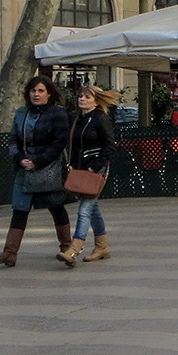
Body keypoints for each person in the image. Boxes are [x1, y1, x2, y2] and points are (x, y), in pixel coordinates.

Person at [0, 76, 73, 267]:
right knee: (19, 209)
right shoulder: (21, 113)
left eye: (41, 90)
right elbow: (13, 141)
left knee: (56, 206)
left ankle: (67, 248)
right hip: (24, 169)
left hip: (48, 167)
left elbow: (60, 143)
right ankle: (9, 253)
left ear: (49, 94)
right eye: (33, 91)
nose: (36, 94)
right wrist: (20, 159)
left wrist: (39, 161)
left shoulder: (57, 113)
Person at [57, 86, 119, 267]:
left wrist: (95, 165)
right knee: (93, 209)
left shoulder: (100, 119)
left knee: (84, 209)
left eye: (87, 96)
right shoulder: (77, 119)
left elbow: (110, 146)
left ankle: (74, 248)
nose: (82, 99)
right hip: (79, 170)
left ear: (96, 101)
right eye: (80, 95)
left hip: (96, 170)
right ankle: (102, 246)